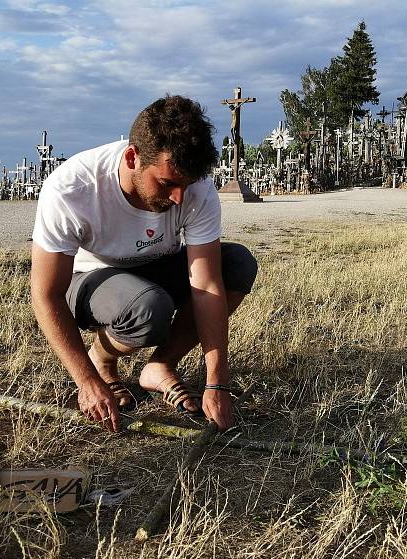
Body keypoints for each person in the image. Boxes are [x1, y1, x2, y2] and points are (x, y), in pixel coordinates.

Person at [30, 95, 257, 432]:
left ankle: (160, 366)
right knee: (149, 308)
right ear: (133, 157)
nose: (179, 197)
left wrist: (216, 383)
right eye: (167, 184)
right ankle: (103, 361)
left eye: (186, 185)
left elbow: (207, 285)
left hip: (156, 268)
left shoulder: (195, 187)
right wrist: (87, 382)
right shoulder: (73, 188)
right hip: (90, 279)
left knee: (237, 264)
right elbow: (45, 295)